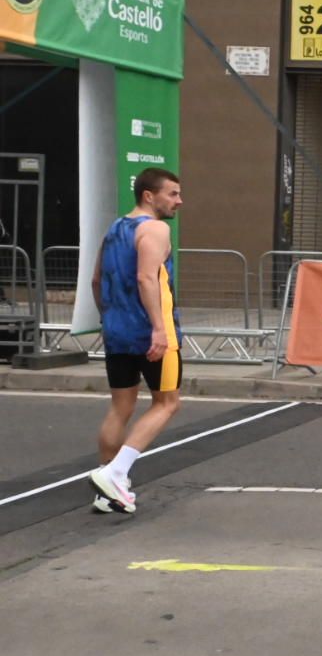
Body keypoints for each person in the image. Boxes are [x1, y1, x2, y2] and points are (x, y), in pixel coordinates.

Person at [88, 167, 184, 514]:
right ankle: (116, 472)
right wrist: (159, 328)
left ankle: (106, 490)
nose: (179, 201)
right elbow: (147, 278)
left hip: (117, 329)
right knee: (168, 403)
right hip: (151, 331)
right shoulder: (155, 229)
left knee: (121, 407)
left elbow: (97, 281)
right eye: (172, 194)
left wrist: (107, 318)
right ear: (149, 195)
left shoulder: (115, 229)